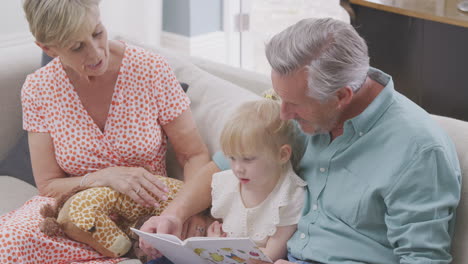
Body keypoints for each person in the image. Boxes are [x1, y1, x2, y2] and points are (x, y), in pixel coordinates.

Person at [140, 17, 462, 264]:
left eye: (293, 104)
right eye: (280, 98)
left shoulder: (419, 152)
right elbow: (225, 163)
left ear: (341, 96)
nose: (282, 114)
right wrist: (174, 215)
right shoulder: (308, 117)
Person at [0, 0, 210, 263]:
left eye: (97, 32)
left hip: (147, 216)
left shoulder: (150, 69)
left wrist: (181, 213)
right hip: (75, 218)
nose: (96, 53)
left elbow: (194, 157)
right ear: (48, 49)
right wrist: (104, 176)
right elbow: (48, 185)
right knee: (8, 243)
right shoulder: (38, 89)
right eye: (77, 47)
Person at [205, 100, 306, 262]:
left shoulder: (290, 195)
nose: (238, 168)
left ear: (282, 155)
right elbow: (220, 229)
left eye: (248, 159)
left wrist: (221, 249)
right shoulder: (227, 183)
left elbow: (269, 255)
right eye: (232, 158)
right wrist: (213, 239)